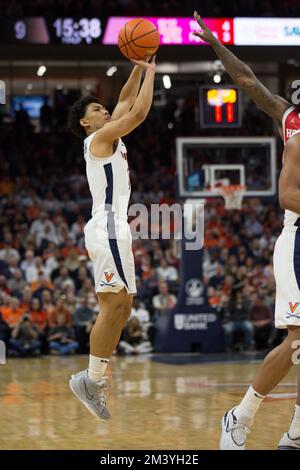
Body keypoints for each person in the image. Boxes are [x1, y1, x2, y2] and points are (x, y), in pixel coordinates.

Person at [193, 11, 300, 449]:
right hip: (298, 236)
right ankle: (240, 415)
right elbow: (250, 81)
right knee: (299, 339)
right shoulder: (293, 122)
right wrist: (217, 45)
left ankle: (296, 429)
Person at [67, 56, 156, 420]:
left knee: (123, 306)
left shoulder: (110, 134)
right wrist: (152, 72)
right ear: (86, 122)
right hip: (107, 226)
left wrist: (139, 64)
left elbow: (123, 100)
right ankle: (92, 378)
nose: (106, 111)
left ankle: (93, 378)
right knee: (113, 305)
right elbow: (136, 114)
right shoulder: (98, 138)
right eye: (98, 109)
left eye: (105, 109)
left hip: (115, 228)